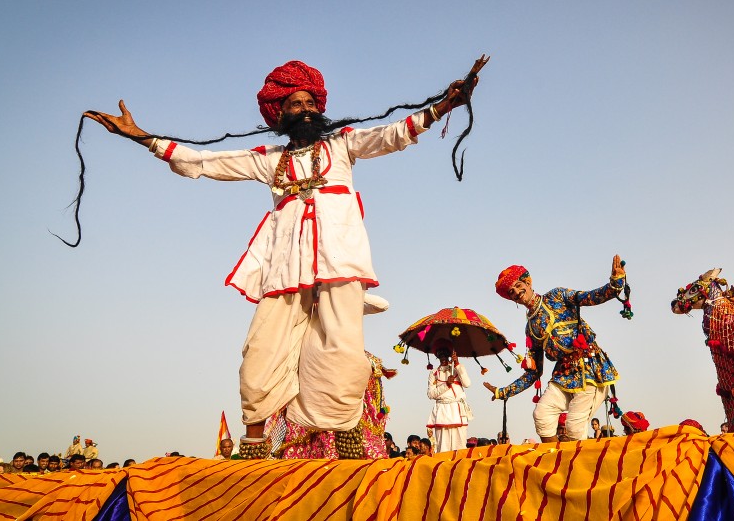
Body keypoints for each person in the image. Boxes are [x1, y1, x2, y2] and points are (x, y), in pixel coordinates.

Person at [85, 60, 479, 459]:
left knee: (341, 350)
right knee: (261, 350)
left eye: (310, 102)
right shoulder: (268, 157)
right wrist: (142, 137)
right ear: (280, 113)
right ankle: (254, 446)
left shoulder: (342, 144)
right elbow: (207, 162)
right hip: (284, 267)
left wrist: (445, 105)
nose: (305, 109)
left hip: (340, 260)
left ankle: (345, 444)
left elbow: (392, 134)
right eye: (295, 103)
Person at [483, 257, 628, 442]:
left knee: (574, 427)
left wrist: (616, 283)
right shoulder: (531, 328)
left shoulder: (557, 296)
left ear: (528, 283)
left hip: (589, 368)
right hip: (564, 374)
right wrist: (504, 392)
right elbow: (534, 372)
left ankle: (578, 460)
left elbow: (590, 297)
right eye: (512, 292)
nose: (517, 292)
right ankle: (554, 457)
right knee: (541, 414)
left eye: (519, 286)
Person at [426, 340, 472, 453]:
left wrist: (457, 364)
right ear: (437, 356)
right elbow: (431, 394)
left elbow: (467, 384)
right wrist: (446, 384)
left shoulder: (457, 368)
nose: (443, 356)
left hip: (458, 411)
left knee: (460, 447)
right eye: (440, 354)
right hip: (442, 411)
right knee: (443, 448)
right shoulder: (434, 373)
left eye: (445, 353)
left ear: (450, 355)